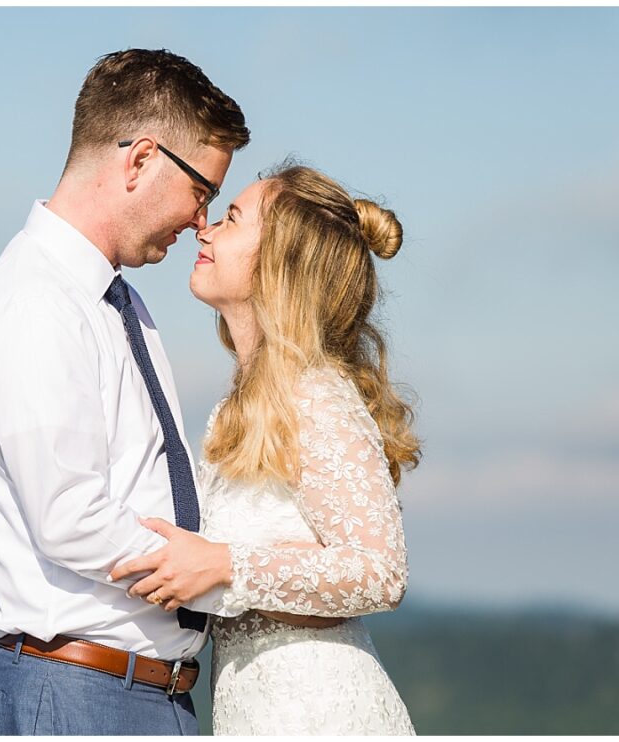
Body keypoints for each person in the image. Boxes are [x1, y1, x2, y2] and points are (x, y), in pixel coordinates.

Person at [0, 48, 253, 735]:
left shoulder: (117, 302)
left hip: (129, 695)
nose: (201, 220)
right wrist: (223, 573)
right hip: (79, 695)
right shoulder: (37, 302)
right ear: (141, 159)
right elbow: (69, 514)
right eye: (200, 190)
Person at [108, 164, 420, 734]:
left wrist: (223, 564)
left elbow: (381, 570)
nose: (204, 230)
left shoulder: (316, 395)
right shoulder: (239, 406)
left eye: (230, 219)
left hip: (322, 713)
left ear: (278, 264)